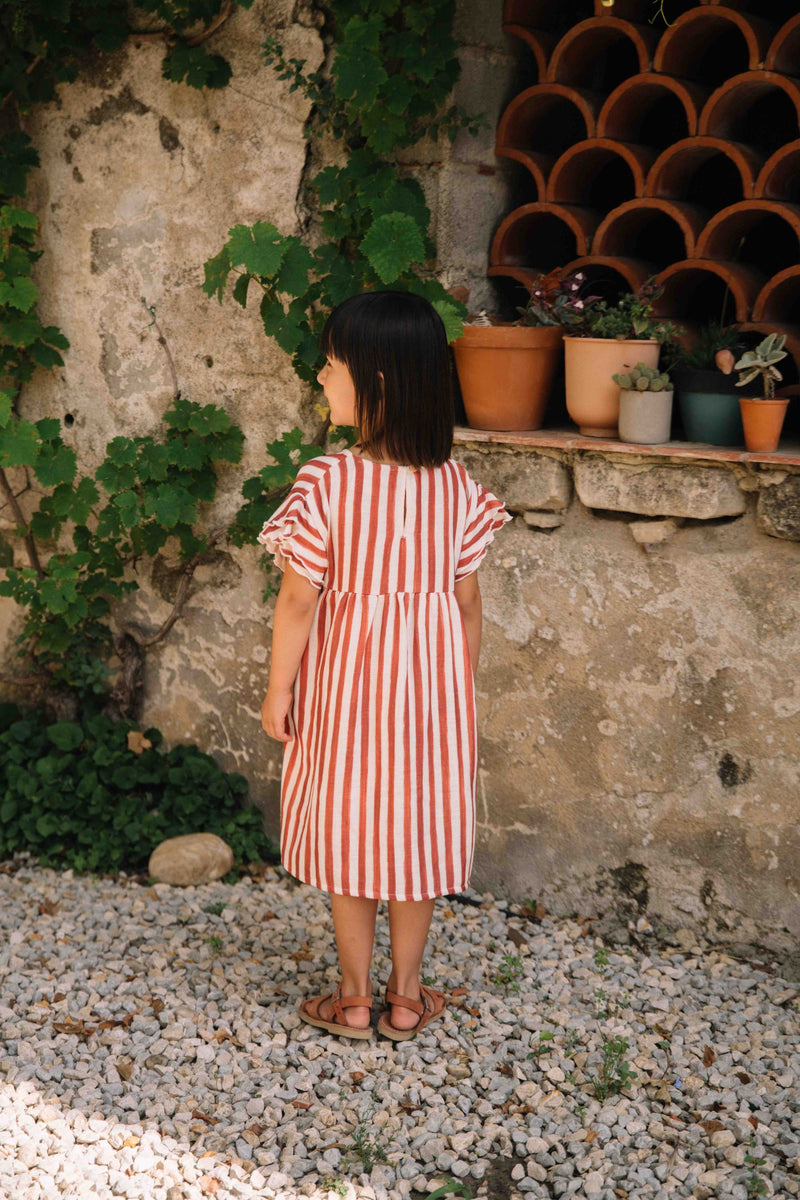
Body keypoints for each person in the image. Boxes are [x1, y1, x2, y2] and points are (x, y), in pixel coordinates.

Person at [258, 290, 512, 1041]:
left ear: (376, 382)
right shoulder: (455, 487)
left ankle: (354, 996)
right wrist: (454, 691)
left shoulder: (328, 483)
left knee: (349, 831)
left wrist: (279, 688)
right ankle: (406, 996)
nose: (320, 380)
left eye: (331, 367)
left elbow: (299, 602)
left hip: (347, 691)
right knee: (415, 834)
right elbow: (467, 605)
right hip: (430, 698)